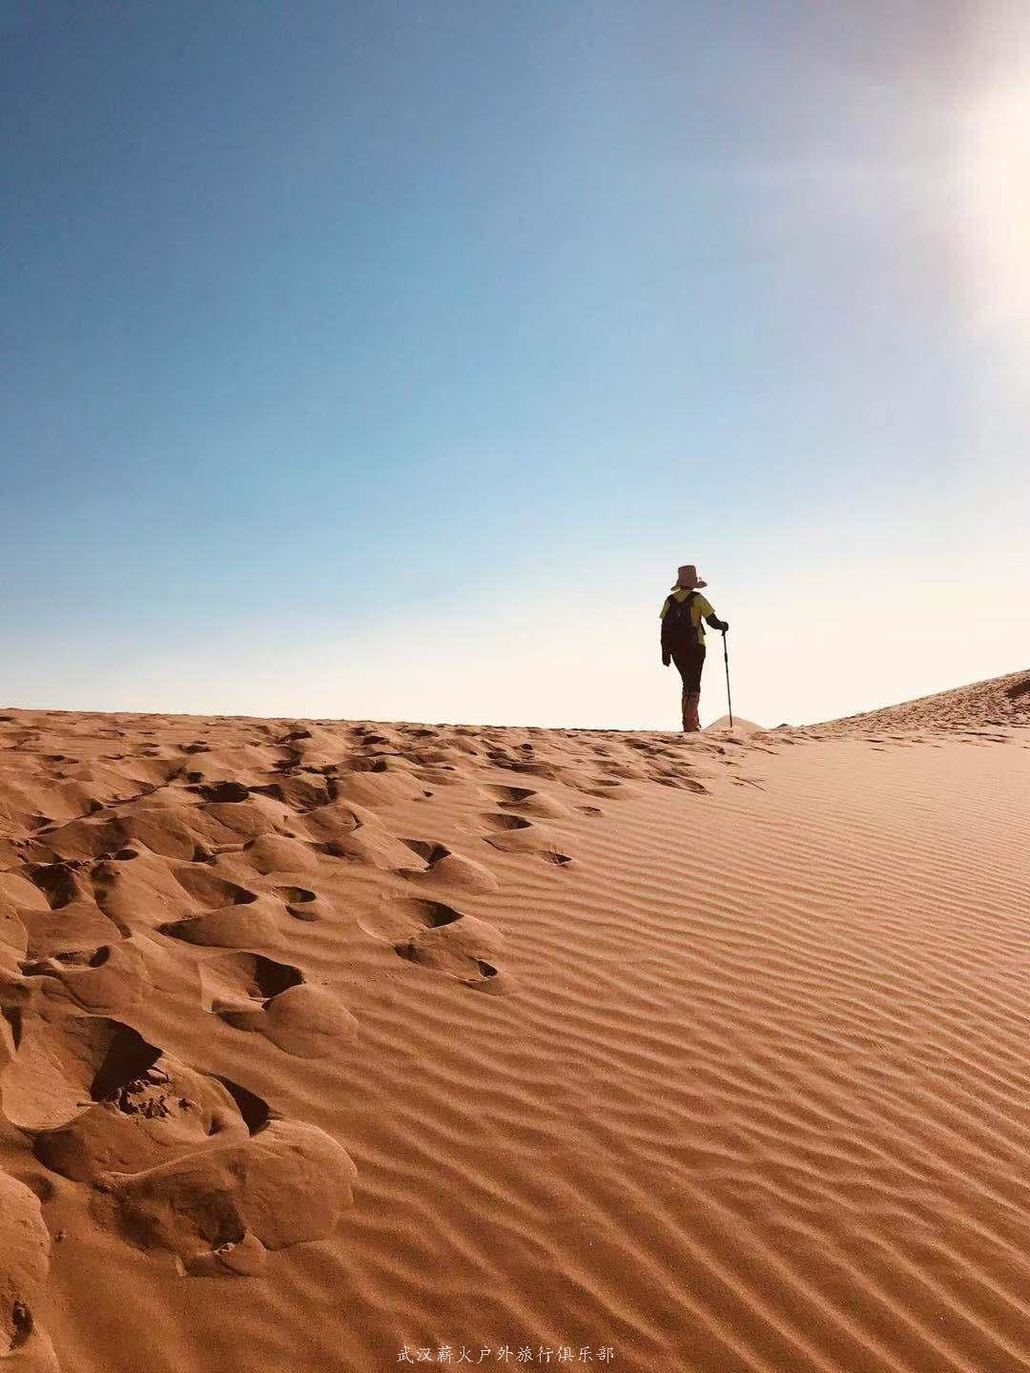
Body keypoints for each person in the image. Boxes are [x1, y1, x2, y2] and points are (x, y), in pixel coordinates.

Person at [659, 565, 729, 732]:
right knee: (694, 684)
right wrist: (724, 626)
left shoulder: (670, 600)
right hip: (695, 646)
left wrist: (665, 652)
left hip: (675, 648)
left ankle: (687, 722)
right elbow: (712, 621)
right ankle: (692, 723)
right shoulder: (697, 598)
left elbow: (664, 627)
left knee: (686, 684)